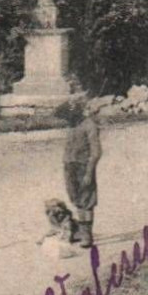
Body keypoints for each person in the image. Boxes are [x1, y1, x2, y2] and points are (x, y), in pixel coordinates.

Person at [59, 99, 102, 248]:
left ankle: (87, 235)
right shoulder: (71, 126)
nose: (68, 120)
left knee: (87, 200)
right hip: (69, 166)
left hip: (83, 166)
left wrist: (89, 173)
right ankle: (80, 231)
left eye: (69, 117)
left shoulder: (90, 126)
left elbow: (96, 152)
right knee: (75, 198)